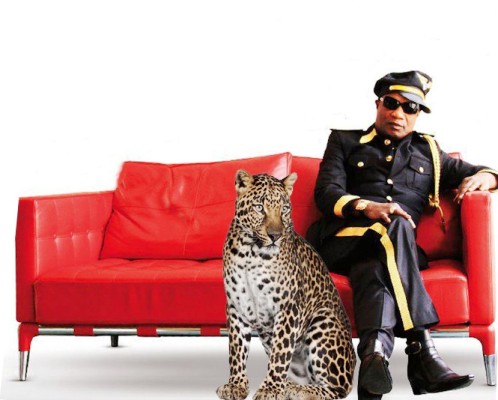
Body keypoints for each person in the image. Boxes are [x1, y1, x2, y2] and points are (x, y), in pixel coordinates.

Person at [306, 71, 498, 400]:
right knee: (393, 224)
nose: (399, 113)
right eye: (392, 104)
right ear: (378, 104)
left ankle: (374, 359)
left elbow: (483, 171)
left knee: (374, 268)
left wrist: (487, 178)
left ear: (418, 114)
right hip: (342, 239)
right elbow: (327, 193)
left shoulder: (429, 152)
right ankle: (421, 350)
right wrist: (367, 207)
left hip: (390, 250)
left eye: (410, 108)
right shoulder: (345, 141)